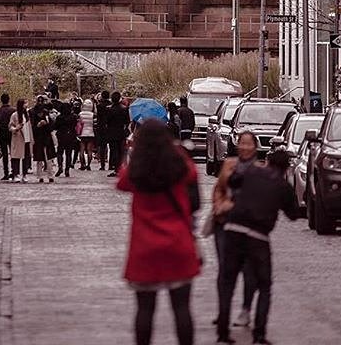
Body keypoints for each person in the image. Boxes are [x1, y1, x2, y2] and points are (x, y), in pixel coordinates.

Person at [117, 119, 200, 345]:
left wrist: (131, 151)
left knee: (145, 309)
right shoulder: (179, 165)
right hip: (178, 243)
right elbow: (193, 175)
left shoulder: (136, 170)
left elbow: (121, 181)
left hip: (145, 247)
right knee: (182, 308)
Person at [216, 148, 298, 345]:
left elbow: (232, 181)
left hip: (233, 229)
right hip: (258, 236)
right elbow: (293, 214)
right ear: (286, 168)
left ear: (268, 162)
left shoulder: (251, 171)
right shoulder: (282, 185)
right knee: (264, 286)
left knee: (228, 283)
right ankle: (259, 335)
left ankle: (222, 333)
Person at [211, 130, 260, 331]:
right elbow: (218, 189)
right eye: (242, 143)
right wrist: (219, 204)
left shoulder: (260, 170)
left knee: (249, 271)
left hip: (248, 227)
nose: (245, 147)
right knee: (224, 270)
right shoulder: (229, 164)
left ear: (255, 147)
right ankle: (223, 312)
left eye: (249, 144)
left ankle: (246, 309)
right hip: (224, 224)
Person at [31, 101, 57, 183]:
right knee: (39, 159)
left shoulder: (47, 115)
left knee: (48, 158)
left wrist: (47, 123)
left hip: (46, 139)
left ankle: (50, 175)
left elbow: (52, 127)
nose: (40, 114)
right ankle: (39, 176)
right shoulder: (34, 117)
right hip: (39, 139)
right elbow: (32, 129)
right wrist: (38, 126)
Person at [106, 91, 130, 176]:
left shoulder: (109, 109)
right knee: (121, 151)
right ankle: (120, 168)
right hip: (121, 131)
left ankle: (116, 168)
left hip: (112, 131)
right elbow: (127, 121)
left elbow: (107, 121)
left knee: (113, 150)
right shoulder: (124, 108)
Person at [0, 93, 15, 181]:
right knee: (13, 153)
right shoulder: (13, 110)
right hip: (12, 133)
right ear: (9, 99)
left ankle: (6, 173)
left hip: (2, 134)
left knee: (5, 154)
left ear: (1, 100)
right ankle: (14, 172)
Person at [54, 103, 79, 178]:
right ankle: (67, 169)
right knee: (69, 153)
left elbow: (55, 126)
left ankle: (60, 167)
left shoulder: (59, 117)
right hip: (70, 136)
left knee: (59, 153)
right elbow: (75, 125)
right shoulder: (73, 117)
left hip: (61, 136)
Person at [8, 99, 28, 182]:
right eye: (25, 103)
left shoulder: (27, 115)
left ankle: (24, 174)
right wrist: (16, 129)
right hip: (17, 137)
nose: (26, 105)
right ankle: (16, 174)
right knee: (16, 157)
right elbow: (10, 126)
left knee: (26, 157)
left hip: (26, 137)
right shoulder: (14, 115)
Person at [78, 98, 96, 170]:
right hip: (90, 133)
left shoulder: (80, 114)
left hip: (82, 134)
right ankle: (88, 165)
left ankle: (82, 164)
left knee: (81, 150)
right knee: (89, 150)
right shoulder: (93, 115)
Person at [95, 90, 111, 170]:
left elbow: (99, 117)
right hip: (110, 127)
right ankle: (112, 164)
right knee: (112, 146)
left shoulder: (99, 105)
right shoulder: (111, 105)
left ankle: (102, 165)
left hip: (101, 127)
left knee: (102, 146)